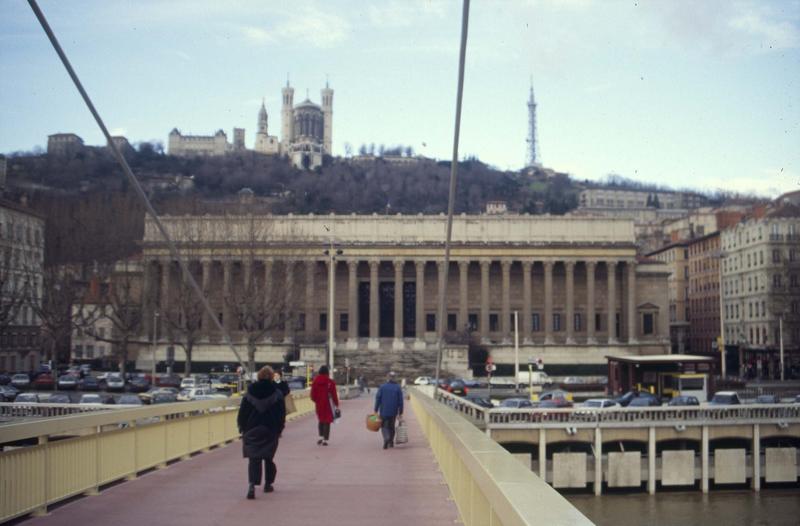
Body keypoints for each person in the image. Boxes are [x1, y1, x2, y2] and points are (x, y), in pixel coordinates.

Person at [237, 365, 286, 500]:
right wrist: (280, 428)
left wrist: (242, 426)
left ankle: (252, 485)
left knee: (254, 459)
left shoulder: (250, 392)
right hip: (270, 428)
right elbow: (281, 413)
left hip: (252, 428)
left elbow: (243, 412)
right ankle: (268, 484)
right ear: (271, 377)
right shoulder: (276, 393)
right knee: (269, 457)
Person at [374, 371, 404, 450]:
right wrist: (400, 412)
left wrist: (375, 410)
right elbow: (401, 401)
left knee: (384, 426)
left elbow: (378, 399)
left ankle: (386, 438)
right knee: (391, 426)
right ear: (395, 378)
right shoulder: (398, 388)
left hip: (383, 410)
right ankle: (390, 441)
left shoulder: (382, 387)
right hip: (393, 411)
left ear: (387, 378)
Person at [310, 365, 339, 446]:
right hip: (328, 404)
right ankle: (325, 440)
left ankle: (320, 437)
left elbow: (312, 395)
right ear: (327, 372)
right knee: (327, 421)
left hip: (319, 404)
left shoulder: (315, 381)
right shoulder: (330, 382)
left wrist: (317, 401)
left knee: (321, 420)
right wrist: (336, 404)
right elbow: (334, 395)